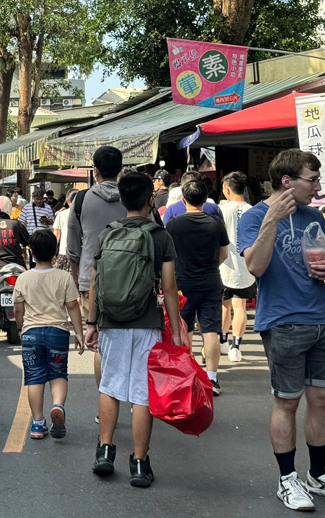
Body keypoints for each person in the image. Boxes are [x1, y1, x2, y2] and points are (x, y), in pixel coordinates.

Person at [238, 149, 325, 511]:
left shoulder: (314, 215)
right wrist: (272, 219)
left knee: (323, 399)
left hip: (321, 319)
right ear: (287, 181)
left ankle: (318, 475)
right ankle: (287, 479)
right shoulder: (255, 216)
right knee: (286, 402)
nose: (318, 187)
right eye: (312, 179)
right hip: (283, 320)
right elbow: (255, 267)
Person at [86, 172, 181, 488]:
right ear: (150, 200)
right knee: (142, 393)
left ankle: (105, 452)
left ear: (123, 201)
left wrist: (91, 323)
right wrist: (177, 334)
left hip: (111, 322)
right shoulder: (160, 237)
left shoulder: (107, 234)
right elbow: (168, 288)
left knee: (110, 386)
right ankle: (139, 463)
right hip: (146, 323)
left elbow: (95, 282)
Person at [67, 146, 126, 398]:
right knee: (129, 342)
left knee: (101, 343)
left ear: (96, 170)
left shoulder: (81, 200)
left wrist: (77, 279)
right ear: (120, 170)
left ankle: (106, 404)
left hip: (91, 280)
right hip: (130, 278)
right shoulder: (132, 197)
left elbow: (72, 249)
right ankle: (133, 399)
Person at [12, 230, 83, 440]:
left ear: (31, 252)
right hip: (58, 333)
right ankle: (58, 406)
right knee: (58, 373)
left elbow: (18, 309)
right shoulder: (64, 277)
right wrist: (79, 333)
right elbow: (73, 307)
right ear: (55, 252)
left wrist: (20, 328)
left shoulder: (23, 278)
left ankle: (37, 423)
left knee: (34, 376)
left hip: (31, 333)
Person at [165, 180, 229, 395]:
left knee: (184, 330)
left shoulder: (173, 224)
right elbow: (224, 254)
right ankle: (212, 379)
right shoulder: (216, 223)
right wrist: (210, 267)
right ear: (205, 200)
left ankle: (186, 377)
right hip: (211, 282)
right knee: (210, 331)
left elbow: (167, 257)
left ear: (183, 200)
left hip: (182, 284)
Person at [219, 172, 257, 362]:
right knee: (240, 306)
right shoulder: (253, 210)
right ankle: (236, 346)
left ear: (227, 189)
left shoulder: (222, 210)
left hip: (225, 266)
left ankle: (223, 342)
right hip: (247, 267)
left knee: (225, 306)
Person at [53, 189, 78, 271]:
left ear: (68, 201)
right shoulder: (85, 214)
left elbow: (56, 237)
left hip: (64, 252)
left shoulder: (61, 214)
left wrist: (53, 254)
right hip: (80, 253)